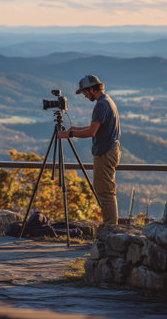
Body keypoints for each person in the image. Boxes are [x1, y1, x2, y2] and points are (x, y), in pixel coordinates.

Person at [57, 75, 121, 224]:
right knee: (105, 191)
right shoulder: (107, 101)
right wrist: (78, 129)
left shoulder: (101, 105)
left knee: (105, 192)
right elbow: (96, 129)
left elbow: (91, 132)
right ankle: (110, 228)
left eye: (85, 92)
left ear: (92, 89)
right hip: (110, 149)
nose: (85, 96)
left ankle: (110, 229)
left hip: (105, 152)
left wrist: (68, 134)